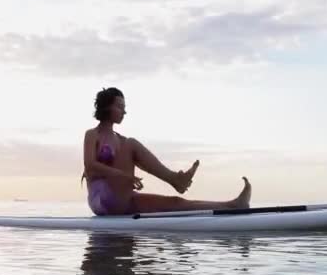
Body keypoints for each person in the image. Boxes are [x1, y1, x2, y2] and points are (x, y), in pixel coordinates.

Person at [81, 87, 251, 216]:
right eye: (119, 106)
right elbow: (90, 166)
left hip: (124, 199)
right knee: (131, 143)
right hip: (102, 200)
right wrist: (124, 176)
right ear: (106, 107)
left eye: (124, 107)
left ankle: (233, 205)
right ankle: (176, 180)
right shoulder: (92, 134)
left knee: (176, 202)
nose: (124, 111)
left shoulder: (121, 140)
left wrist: (125, 177)